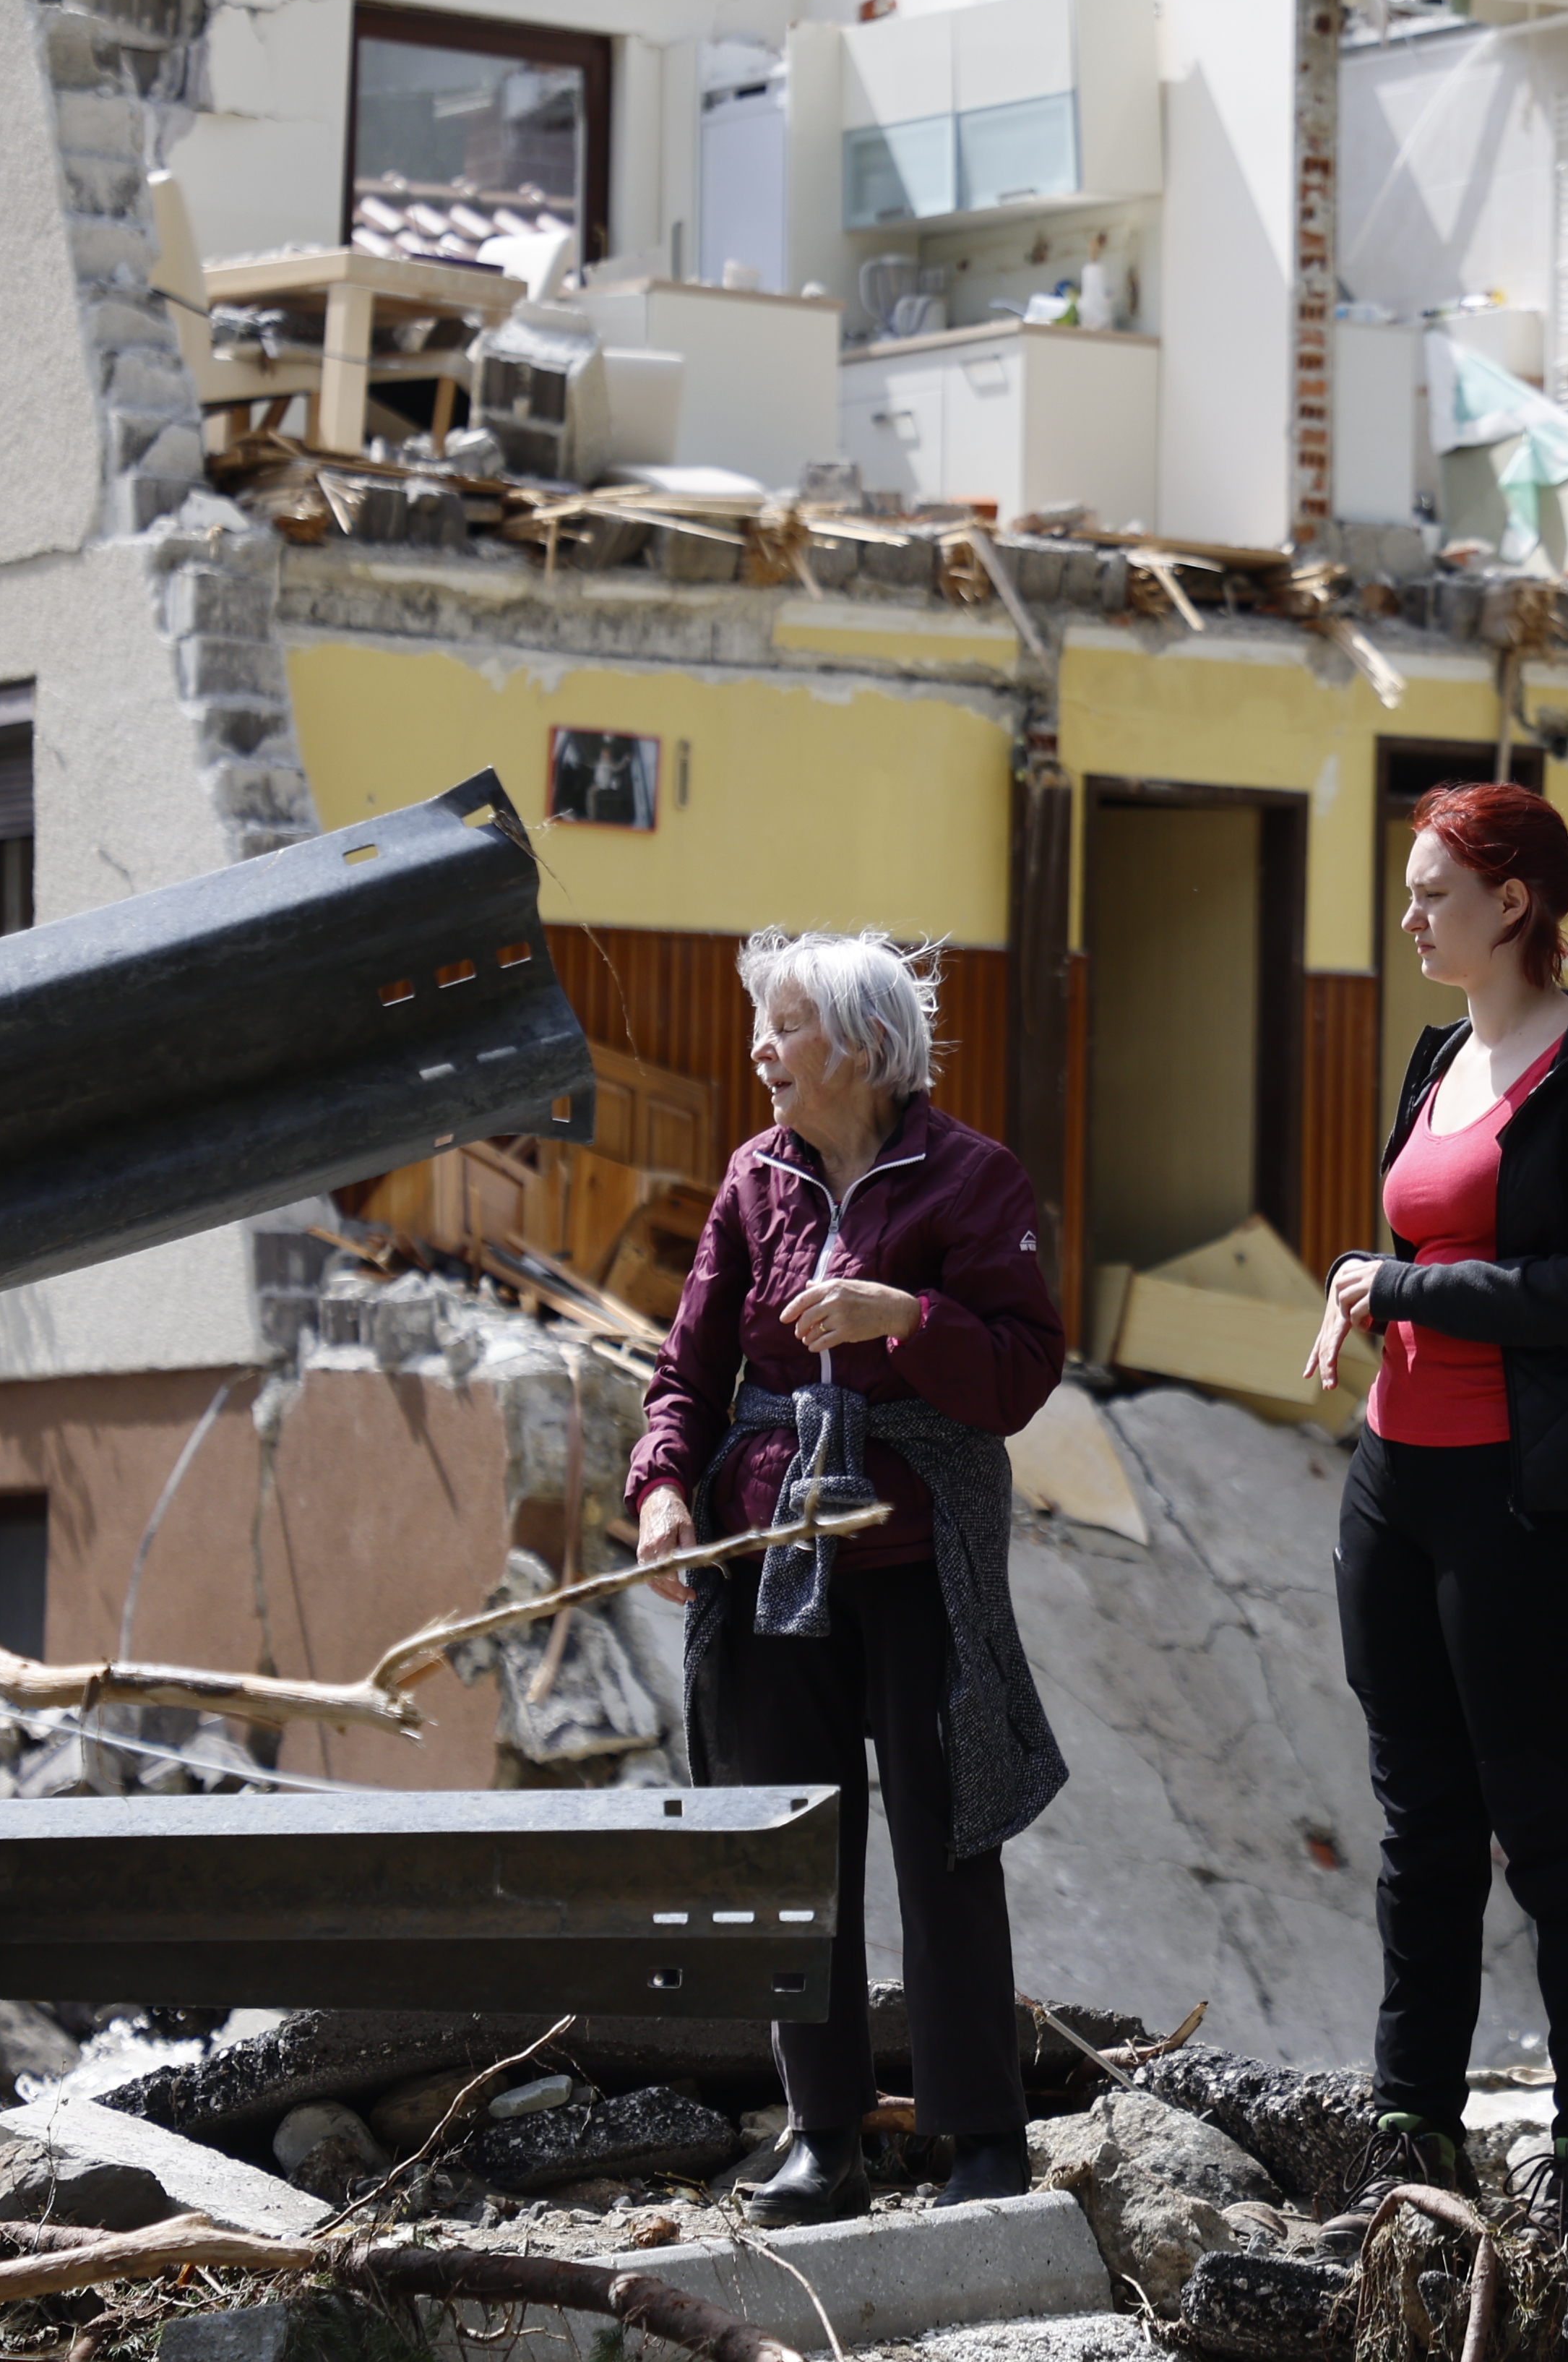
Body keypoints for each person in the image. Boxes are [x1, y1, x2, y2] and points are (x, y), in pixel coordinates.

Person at [1298, 778, 1568, 2248]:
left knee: (1542, 1822)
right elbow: (1428, 1237)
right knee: (1420, 1823)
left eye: (1435, 892)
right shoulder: (1441, 1052)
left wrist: (1411, 1286)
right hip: (1395, 1480)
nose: (1411, 915)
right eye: (1412, 890)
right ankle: (1413, 2125)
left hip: (1525, 1496)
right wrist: (1366, 1282)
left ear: (1516, 904)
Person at [629, 929, 1067, 2224]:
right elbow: (688, 1370)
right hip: (777, 1558)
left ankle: (982, 2137)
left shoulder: (972, 1178)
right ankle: (823, 2139)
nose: (760, 1051)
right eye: (763, 1026)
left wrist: (909, 1320)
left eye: (786, 1027)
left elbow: (1021, 1373)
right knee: (792, 1848)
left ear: (866, 1045)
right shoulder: (753, 1177)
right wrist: (663, 1488)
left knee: (946, 1841)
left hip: (918, 1554)